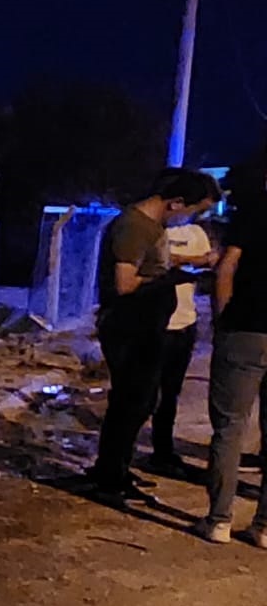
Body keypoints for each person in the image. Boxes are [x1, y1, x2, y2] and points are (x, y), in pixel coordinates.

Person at [88, 168, 218, 503]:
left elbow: (154, 264)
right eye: (192, 210)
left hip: (146, 325)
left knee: (139, 400)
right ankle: (109, 477)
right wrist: (172, 281)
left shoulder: (152, 227)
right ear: (176, 203)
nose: (191, 218)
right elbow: (125, 283)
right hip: (129, 326)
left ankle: (116, 469)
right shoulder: (133, 227)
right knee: (132, 402)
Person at [199, 167, 267, 544]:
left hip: (246, 328)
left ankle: (219, 520)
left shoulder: (254, 211)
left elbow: (226, 269)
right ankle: (264, 527)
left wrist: (222, 319)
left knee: (230, 427)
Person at [147, 176, 223, 475]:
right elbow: (156, 259)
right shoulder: (157, 228)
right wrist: (188, 260)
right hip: (156, 324)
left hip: (185, 322)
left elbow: (210, 261)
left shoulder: (196, 232)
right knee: (146, 393)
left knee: (171, 393)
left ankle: (162, 451)